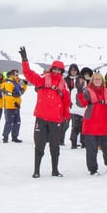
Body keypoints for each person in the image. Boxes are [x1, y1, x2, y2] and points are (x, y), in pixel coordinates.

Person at [18, 47, 70, 178]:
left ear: (62, 71)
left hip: (56, 119)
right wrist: (25, 60)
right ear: (51, 69)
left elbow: (66, 102)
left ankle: (55, 170)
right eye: (55, 69)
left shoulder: (64, 85)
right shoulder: (42, 79)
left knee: (55, 147)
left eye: (59, 69)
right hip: (41, 118)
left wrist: (66, 117)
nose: (57, 71)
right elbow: (29, 74)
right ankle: (36, 170)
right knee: (39, 146)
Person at [76, 72, 107, 175]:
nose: (97, 81)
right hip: (91, 125)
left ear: (102, 81)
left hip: (104, 124)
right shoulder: (87, 91)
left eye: (99, 79)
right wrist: (80, 92)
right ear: (92, 81)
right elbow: (81, 104)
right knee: (91, 149)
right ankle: (93, 169)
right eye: (95, 79)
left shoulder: (106, 92)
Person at [0, 70, 25, 143]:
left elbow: (21, 92)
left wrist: (25, 85)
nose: (17, 76)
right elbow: (8, 94)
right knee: (9, 122)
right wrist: (14, 102)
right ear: (11, 75)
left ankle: (15, 137)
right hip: (9, 105)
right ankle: (5, 137)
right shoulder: (8, 83)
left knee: (17, 122)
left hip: (16, 105)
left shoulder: (16, 83)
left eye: (17, 75)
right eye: (16, 75)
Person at [66, 65, 87, 149]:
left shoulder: (85, 90)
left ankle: (83, 143)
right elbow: (74, 101)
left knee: (83, 129)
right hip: (76, 112)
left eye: (83, 81)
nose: (81, 82)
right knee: (75, 128)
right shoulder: (74, 90)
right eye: (80, 81)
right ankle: (73, 143)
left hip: (83, 112)